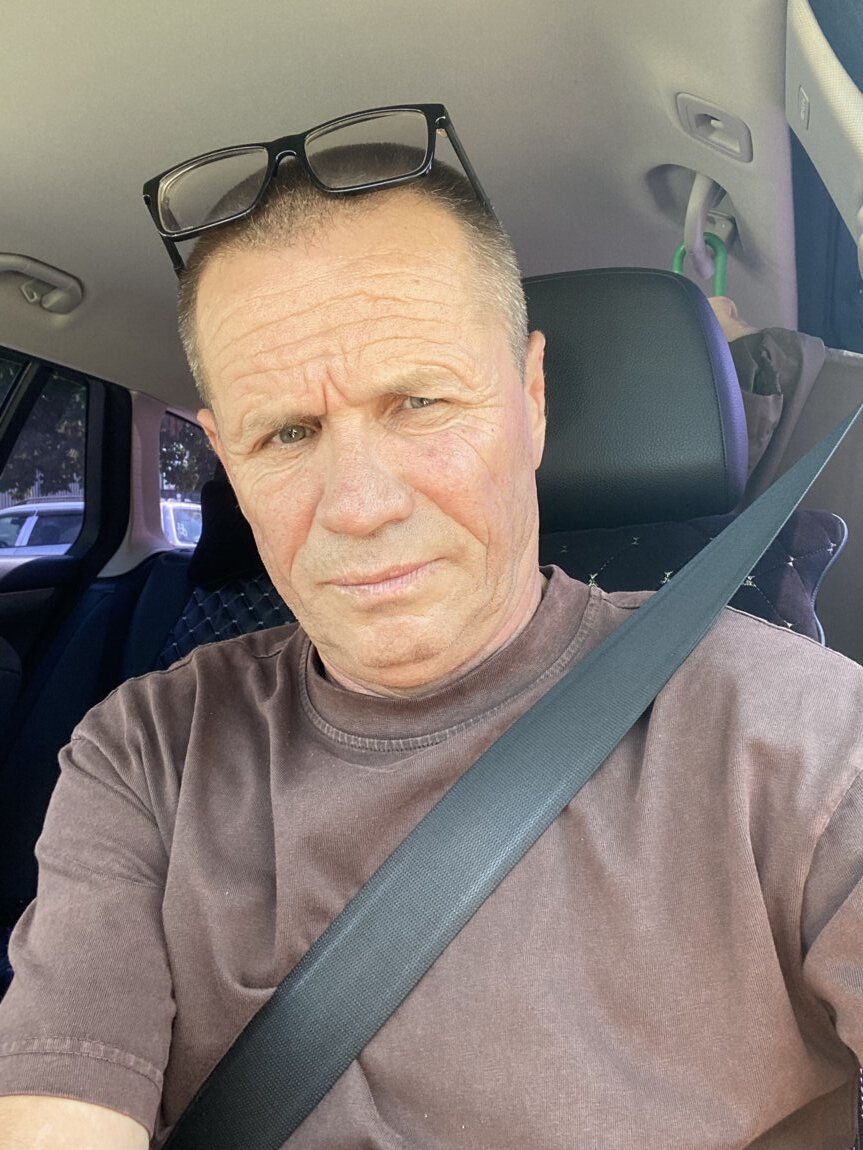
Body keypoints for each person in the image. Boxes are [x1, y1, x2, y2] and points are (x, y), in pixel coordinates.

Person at [0, 106, 862, 1150]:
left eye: (417, 402)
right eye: (287, 433)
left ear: (530, 399)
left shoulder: (802, 737)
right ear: (226, 458)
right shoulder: (146, 752)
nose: (359, 504)